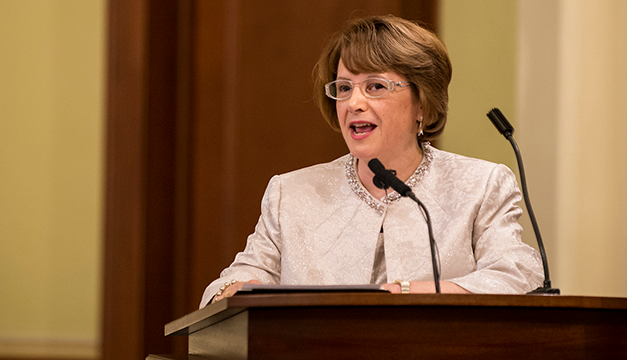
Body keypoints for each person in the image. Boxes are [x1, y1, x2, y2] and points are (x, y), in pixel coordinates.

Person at [200, 15, 544, 308]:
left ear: (422, 102)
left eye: (375, 86)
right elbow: (228, 285)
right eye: (344, 88)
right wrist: (234, 291)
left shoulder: (480, 185)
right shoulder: (291, 193)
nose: (354, 103)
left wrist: (402, 292)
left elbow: (518, 275)